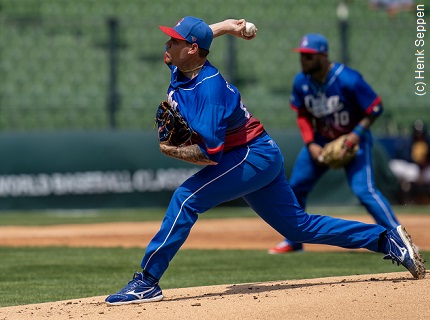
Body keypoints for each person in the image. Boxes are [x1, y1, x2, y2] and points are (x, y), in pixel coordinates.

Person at [105, 17, 425, 305]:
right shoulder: (181, 64)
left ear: (190, 50)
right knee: (297, 227)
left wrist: (174, 150)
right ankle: (386, 239)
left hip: (249, 155)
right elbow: (199, 39)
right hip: (259, 152)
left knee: (185, 198)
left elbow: (212, 153)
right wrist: (226, 28)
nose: (167, 44)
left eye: (174, 40)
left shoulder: (209, 90)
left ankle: (147, 281)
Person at [268, 33, 402, 254]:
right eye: (302, 56)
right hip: (320, 140)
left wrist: (355, 134)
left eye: (309, 56)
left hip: (353, 142)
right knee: (296, 187)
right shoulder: (301, 82)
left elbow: (375, 108)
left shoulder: (348, 79)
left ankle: (398, 237)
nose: (304, 60)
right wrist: (310, 143)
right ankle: (294, 240)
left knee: (364, 190)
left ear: (323, 56)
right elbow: (302, 114)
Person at [389, 119, 430, 203]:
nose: (419, 136)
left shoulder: (427, 143)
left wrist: (424, 162)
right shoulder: (407, 143)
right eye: (417, 133)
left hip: (425, 172)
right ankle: (406, 200)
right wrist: (416, 161)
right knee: (411, 170)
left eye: (421, 133)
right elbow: (403, 159)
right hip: (411, 169)